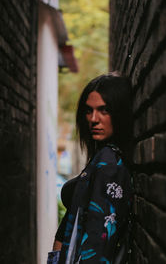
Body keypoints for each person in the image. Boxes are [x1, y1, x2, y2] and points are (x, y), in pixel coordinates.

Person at [48, 73, 133, 264]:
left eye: (104, 110)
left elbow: (96, 247)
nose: (94, 119)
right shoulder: (101, 157)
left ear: (120, 113)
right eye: (89, 110)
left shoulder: (109, 165)